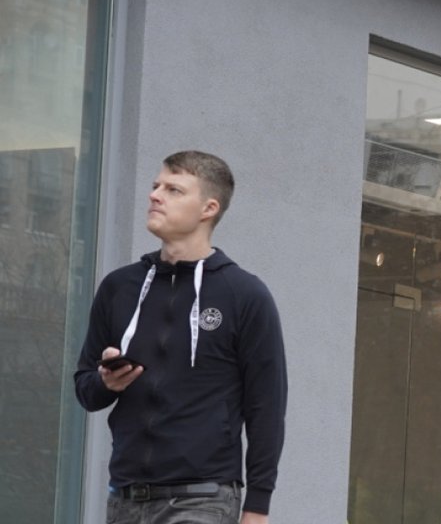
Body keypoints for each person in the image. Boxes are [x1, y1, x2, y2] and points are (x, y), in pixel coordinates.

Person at [74, 151, 287, 523]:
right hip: (125, 499)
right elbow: (85, 390)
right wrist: (106, 382)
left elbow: (266, 407)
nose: (155, 195)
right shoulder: (119, 287)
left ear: (208, 208)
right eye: (156, 186)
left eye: (173, 190)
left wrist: (257, 506)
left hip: (203, 498)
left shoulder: (244, 295)